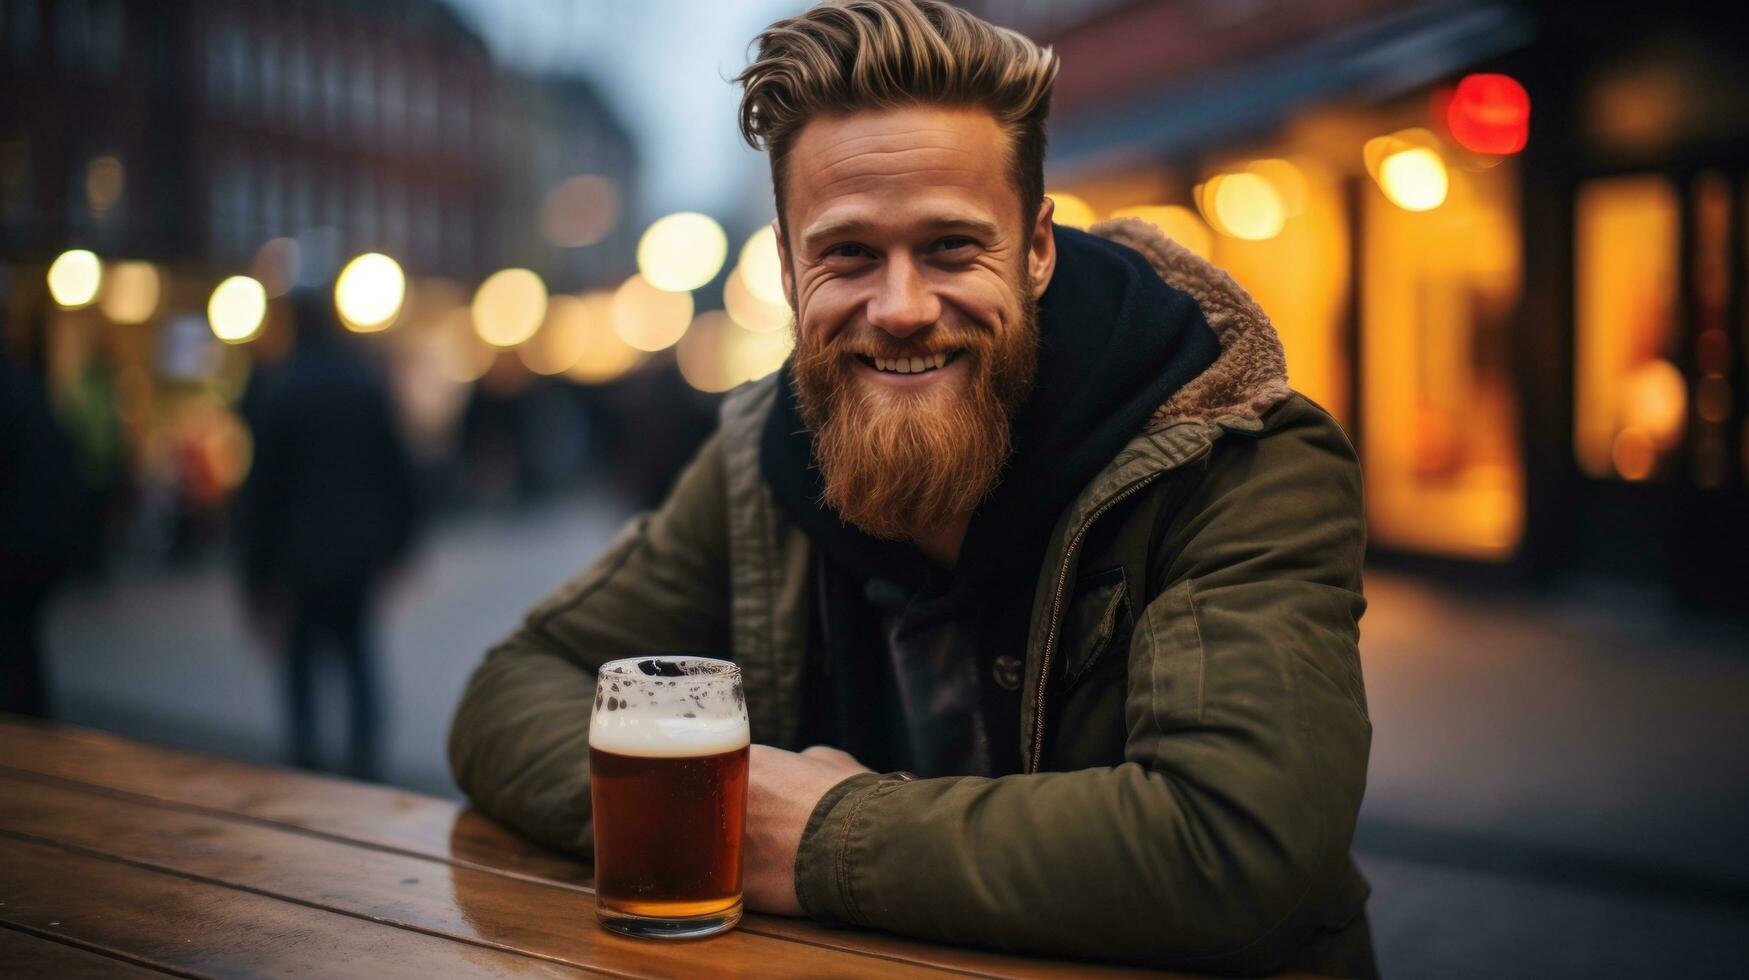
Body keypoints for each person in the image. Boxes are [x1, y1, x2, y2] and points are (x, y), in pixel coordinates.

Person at [449, 1, 1373, 974]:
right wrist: (719, 810)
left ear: (1039, 247)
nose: (900, 308)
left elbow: (1233, 841)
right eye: (848, 252)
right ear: (788, 267)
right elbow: (509, 691)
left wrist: (822, 833)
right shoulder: (767, 454)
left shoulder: (1231, 450)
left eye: (950, 247)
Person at [236, 289, 419, 779]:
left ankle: (305, 756)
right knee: (358, 651)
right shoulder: (363, 381)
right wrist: (401, 545)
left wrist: (254, 577)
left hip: (299, 554)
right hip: (359, 551)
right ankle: (365, 760)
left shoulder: (281, 387)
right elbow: (395, 468)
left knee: (301, 661)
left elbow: (263, 492)